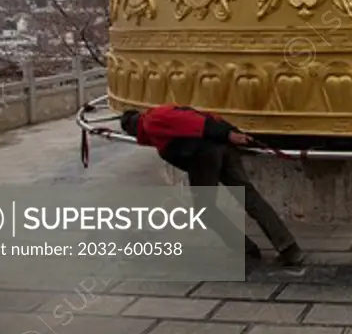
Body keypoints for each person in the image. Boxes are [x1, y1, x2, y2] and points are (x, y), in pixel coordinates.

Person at [119, 105, 304, 266]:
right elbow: (206, 116)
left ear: (132, 128)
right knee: (249, 197)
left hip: (204, 156)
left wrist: (228, 133)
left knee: (205, 209)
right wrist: (231, 133)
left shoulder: (152, 121)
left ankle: (245, 249)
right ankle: (288, 248)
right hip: (222, 149)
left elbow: (194, 122)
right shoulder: (157, 117)